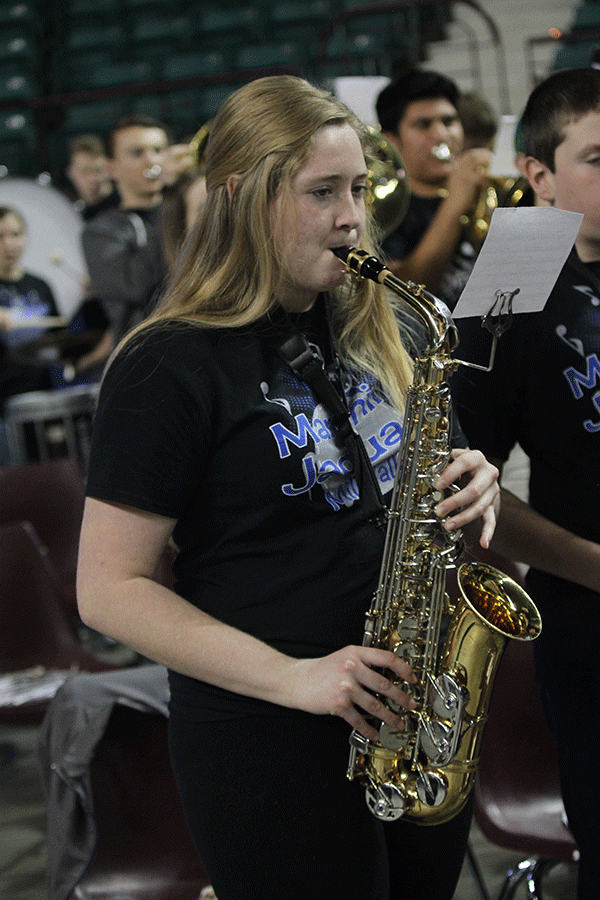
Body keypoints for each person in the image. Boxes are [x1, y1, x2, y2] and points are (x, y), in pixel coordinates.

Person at [76, 75, 500, 900]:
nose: (352, 217)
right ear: (239, 198)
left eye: (357, 190)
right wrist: (298, 678)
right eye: (321, 192)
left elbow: (422, 476)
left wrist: (475, 477)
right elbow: (107, 590)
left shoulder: (387, 324)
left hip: (415, 722)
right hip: (269, 741)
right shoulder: (168, 364)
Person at [452, 67, 600, 900]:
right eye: (598, 157)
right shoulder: (514, 270)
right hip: (590, 621)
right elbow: (463, 490)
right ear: (538, 176)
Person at [375, 68, 493, 309]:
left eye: (449, 121)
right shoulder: (383, 211)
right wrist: (455, 203)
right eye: (423, 125)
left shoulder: (484, 189)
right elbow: (403, 293)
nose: (441, 135)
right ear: (392, 141)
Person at [81, 114, 172, 348]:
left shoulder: (188, 212)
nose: (151, 160)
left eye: (158, 150)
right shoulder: (99, 232)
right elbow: (139, 287)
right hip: (145, 354)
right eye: (137, 153)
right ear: (112, 168)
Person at [64, 134, 118, 220]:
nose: (92, 179)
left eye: (98, 170)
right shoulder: (66, 210)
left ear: (109, 169)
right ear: (70, 173)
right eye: (85, 171)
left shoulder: (123, 206)